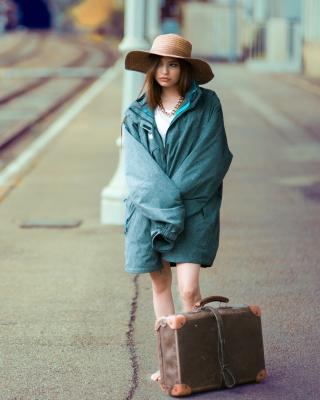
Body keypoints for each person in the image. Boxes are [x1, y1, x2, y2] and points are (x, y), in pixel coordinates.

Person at [122, 34, 233, 381]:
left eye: (173, 64)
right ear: (151, 68)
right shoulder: (136, 112)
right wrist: (162, 205)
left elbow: (210, 161)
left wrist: (174, 204)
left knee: (188, 289)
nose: (165, 70)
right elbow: (138, 171)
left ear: (184, 69)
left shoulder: (208, 105)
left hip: (193, 209)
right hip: (147, 212)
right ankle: (170, 362)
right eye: (159, 63)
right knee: (159, 286)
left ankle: (196, 358)